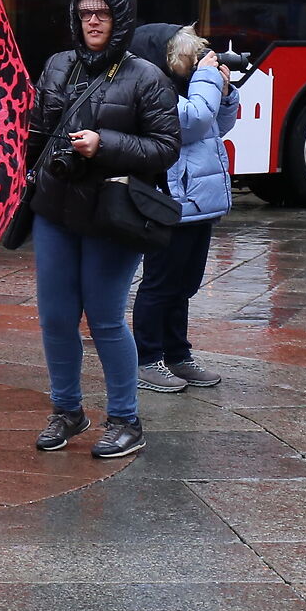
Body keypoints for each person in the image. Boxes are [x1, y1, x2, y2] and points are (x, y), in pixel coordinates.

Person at [21, 0, 178, 459]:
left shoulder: (146, 77)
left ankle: (125, 420)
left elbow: (165, 147)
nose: (93, 21)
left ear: (121, 16)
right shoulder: (57, 66)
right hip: (55, 206)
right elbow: (36, 132)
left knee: (106, 318)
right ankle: (67, 410)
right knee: (55, 316)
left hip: (111, 214)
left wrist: (102, 144)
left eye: (103, 12)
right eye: (85, 11)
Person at [126, 23, 237, 394]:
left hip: (199, 199)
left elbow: (217, 124)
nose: (191, 61)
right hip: (169, 197)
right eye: (184, 53)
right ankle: (146, 358)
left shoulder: (186, 87)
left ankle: (177, 353)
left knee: (184, 283)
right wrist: (207, 77)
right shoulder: (152, 88)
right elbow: (192, 121)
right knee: (161, 282)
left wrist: (224, 92)